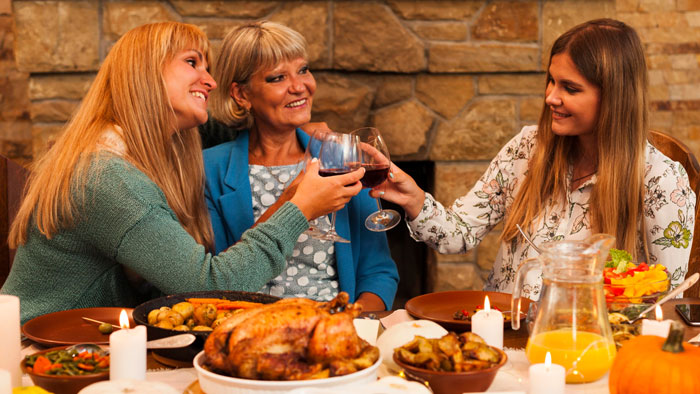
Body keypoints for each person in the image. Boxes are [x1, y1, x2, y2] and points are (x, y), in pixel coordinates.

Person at [0, 21, 366, 324]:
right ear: (145, 75)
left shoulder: (136, 151)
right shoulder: (107, 177)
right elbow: (208, 287)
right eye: (193, 62)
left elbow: (231, 128)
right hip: (39, 350)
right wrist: (299, 208)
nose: (210, 81)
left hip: (91, 337)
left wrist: (299, 126)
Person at [375, 18, 695, 298]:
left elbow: (664, 302)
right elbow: (459, 234)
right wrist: (415, 200)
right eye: (551, 81)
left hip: (588, 349)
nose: (550, 97)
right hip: (503, 335)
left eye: (570, 88)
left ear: (614, 97)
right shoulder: (527, 147)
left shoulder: (662, 181)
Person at [201, 21, 398, 311]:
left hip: (331, 326)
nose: (299, 87)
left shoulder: (342, 158)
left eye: (303, 70)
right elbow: (212, 281)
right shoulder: (210, 170)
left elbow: (378, 273)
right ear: (242, 95)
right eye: (277, 78)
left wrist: (353, 323)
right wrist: (293, 201)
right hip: (249, 327)